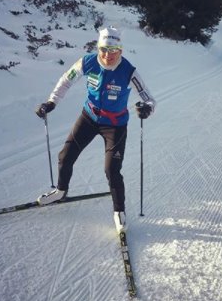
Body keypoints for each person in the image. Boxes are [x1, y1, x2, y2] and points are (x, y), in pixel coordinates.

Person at [35, 26, 155, 233]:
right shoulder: (87, 62)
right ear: (98, 48)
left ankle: (119, 212)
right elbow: (66, 81)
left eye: (113, 50)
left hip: (115, 125)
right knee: (65, 155)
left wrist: (147, 109)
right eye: (104, 50)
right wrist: (51, 102)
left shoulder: (128, 71)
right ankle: (60, 191)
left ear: (121, 51)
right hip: (89, 118)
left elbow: (148, 98)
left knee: (111, 169)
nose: (108, 55)